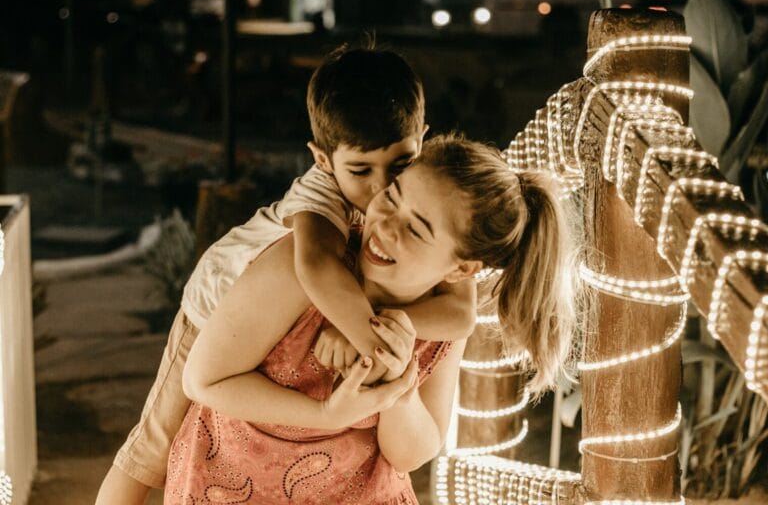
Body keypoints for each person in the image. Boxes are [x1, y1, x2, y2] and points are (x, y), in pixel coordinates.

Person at [96, 45, 476, 504]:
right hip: (215, 303)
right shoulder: (319, 202)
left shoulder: (415, 200)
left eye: (399, 165)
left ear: (422, 139)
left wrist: (375, 320)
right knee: (153, 445)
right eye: (360, 170)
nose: (379, 187)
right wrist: (363, 335)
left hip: (288, 318)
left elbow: (459, 314)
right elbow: (317, 270)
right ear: (321, 158)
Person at [164, 134, 579, 504]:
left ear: (462, 270)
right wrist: (327, 414)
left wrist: (400, 389)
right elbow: (203, 380)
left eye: (416, 230)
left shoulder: (442, 325)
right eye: (393, 196)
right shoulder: (305, 267)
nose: (384, 226)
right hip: (232, 486)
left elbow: (411, 454)